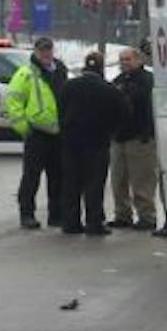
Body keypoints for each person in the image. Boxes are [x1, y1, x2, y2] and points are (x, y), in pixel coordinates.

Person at [58, 51, 127, 237]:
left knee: (71, 183)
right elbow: (122, 114)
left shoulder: (68, 87)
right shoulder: (110, 90)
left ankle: (70, 222)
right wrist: (111, 132)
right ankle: (94, 223)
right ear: (101, 67)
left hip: (71, 143)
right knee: (94, 184)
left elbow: (60, 110)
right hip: (97, 143)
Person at [6, 37, 68, 229]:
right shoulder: (26, 74)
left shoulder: (61, 72)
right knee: (31, 177)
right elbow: (13, 101)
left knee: (57, 177)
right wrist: (24, 128)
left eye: (49, 50)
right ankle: (27, 215)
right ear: (36, 52)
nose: (46, 54)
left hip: (57, 133)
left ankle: (56, 215)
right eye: (42, 50)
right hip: (37, 134)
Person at [108, 45, 159, 230]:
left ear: (139, 60)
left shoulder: (148, 81)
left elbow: (146, 106)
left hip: (140, 139)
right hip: (119, 138)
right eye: (122, 60)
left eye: (128, 59)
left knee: (142, 181)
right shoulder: (117, 81)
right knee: (118, 180)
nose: (124, 63)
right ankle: (122, 215)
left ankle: (147, 217)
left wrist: (148, 133)